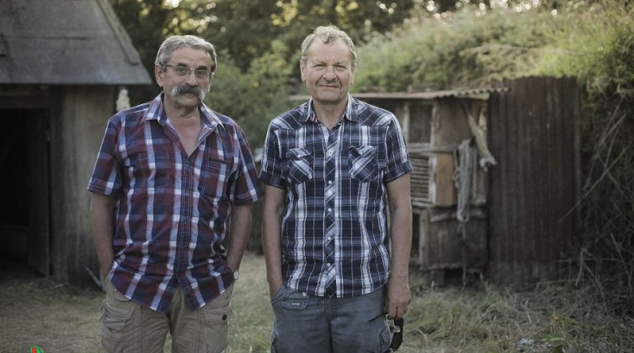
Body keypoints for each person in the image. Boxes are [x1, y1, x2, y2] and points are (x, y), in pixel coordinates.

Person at [87, 35, 263, 353]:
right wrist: (109, 270)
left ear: (210, 78)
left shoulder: (230, 134)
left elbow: (244, 205)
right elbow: (101, 199)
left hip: (206, 287)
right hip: (135, 282)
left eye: (201, 72)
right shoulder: (124, 127)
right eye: (181, 69)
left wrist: (230, 269)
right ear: (160, 73)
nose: (191, 80)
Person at [259, 25, 413, 353]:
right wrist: (275, 282)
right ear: (304, 69)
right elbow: (271, 209)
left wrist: (398, 280)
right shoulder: (281, 130)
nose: (329, 75)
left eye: (339, 66)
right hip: (299, 292)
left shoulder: (383, 126)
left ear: (352, 72)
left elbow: (401, 206)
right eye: (320, 65)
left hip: (364, 292)